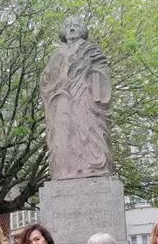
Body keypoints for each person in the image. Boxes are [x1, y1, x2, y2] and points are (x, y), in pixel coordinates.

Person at [40, 16, 113, 179]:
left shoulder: (92, 51)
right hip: (62, 98)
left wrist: (88, 73)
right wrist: (59, 82)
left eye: (76, 25)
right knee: (63, 134)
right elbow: (46, 80)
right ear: (63, 32)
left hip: (84, 98)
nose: (72, 28)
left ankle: (93, 166)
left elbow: (102, 75)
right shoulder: (57, 55)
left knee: (88, 130)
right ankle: (65, 169)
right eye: (68, 26)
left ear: (82, 30)